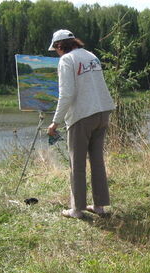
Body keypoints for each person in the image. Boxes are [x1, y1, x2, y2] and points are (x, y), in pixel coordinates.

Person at [46, 29, 116, 219]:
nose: (57, 53)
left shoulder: (67, 60)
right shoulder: (91, 56)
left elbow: (67, 94)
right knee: (97, 161)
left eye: (56, 49)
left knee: (77, 163)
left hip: (82, 116)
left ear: (61, 46)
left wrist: (55, 122)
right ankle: (99, 206)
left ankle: (76, 209)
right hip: (102, 112)